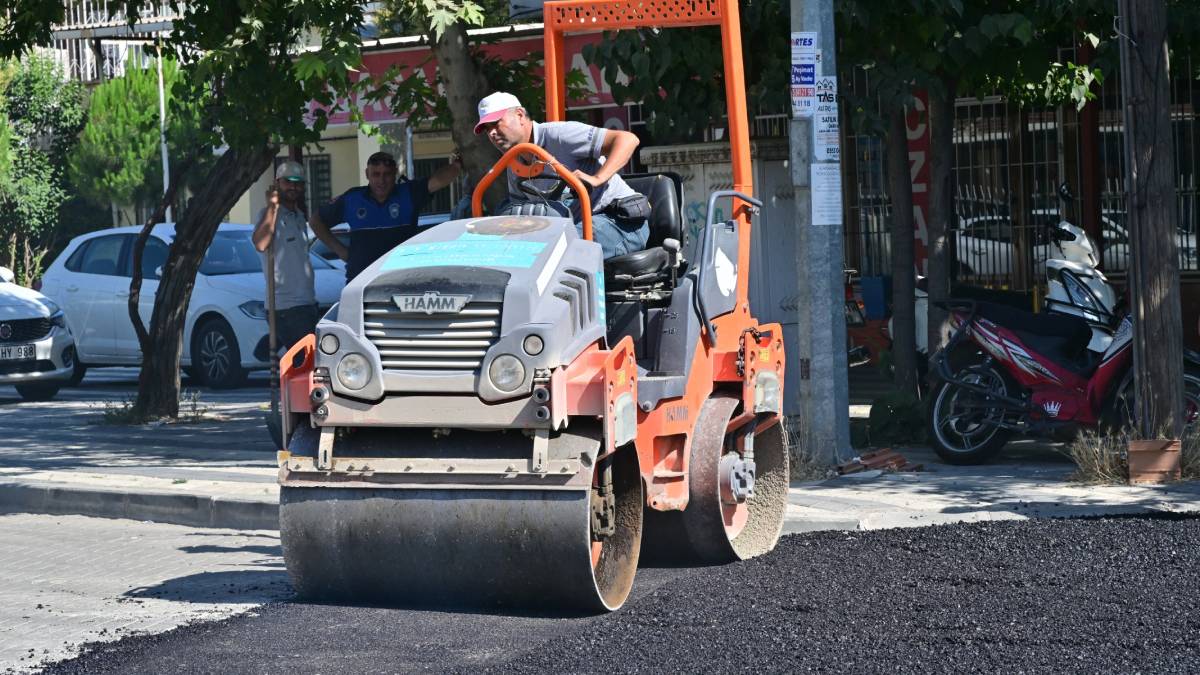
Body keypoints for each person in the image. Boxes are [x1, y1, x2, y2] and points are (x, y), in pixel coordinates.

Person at [474, 91, 649, 259]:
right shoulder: (514, 163)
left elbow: (627, 139)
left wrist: (596, 179)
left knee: (561, 250)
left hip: (619, 222)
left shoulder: (559, 135)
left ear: (520, 115)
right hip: (572, 228)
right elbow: (521, 214)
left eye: (496, 123)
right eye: (487, 129)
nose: (492, 133)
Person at [310, 150, 463, 281]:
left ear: (395, 174)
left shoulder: (408, 193)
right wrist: (341, 251)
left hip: (402, 280)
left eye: (387, 174)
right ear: (367, 174)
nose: (381, 180)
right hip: (361, 280)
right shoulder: (353, 198)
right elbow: (316, 220)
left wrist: (457, 164)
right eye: (376, 174)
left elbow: (438, 180)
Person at [252, 160, 318, 351]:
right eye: (288, 181)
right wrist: (272, 207)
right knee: (306, 363)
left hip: (307, 303)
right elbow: (261, 243)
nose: (293, 186)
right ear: (277, 183)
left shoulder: (298, 216)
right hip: (285, 307)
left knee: (309, 364)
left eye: (298, 182)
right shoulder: (268, 214)